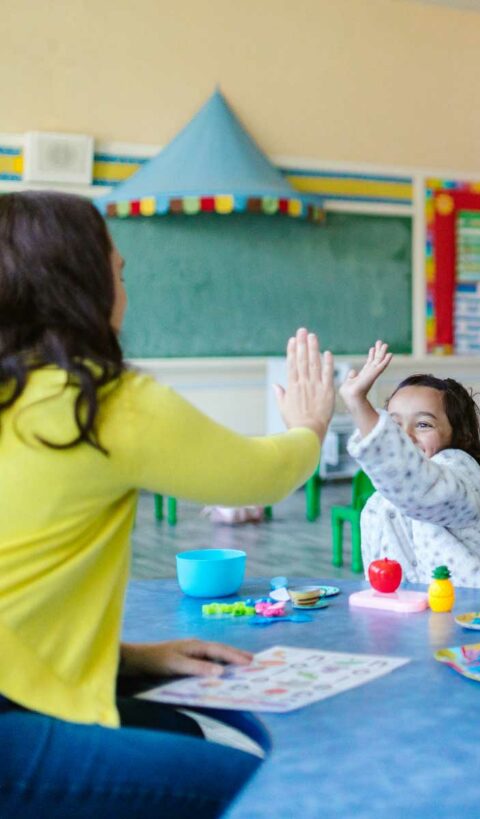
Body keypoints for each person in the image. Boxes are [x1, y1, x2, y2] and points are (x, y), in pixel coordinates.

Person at [0, 191, 336, 817]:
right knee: (255, 787)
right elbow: (260, 477)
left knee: (177, 733)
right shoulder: (98, 402)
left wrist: (130, 659)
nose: (125, 292)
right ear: (83, 286)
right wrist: (309, 427)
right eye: (119, 274)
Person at [339, 340, 480, 592]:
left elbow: (421, 489)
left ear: (461, 435)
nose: (405, 435)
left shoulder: (461, 472)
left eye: (423, 424)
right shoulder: (379, 503)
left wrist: (358, 403)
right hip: (419, 618)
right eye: (394, 425)